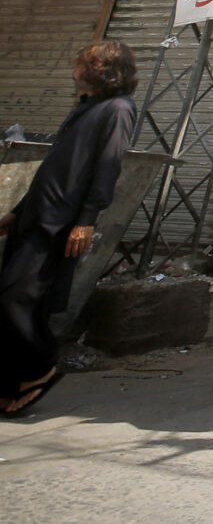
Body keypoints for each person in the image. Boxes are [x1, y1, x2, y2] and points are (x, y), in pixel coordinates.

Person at [0, 41, 139, 418]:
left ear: (103, 70)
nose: (76, 71)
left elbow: (107, 167)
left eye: (83, 65)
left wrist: (86, 220)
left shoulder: (118, 109)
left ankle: (41, 367)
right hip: (38, 215)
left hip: (61, 222)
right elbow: (57, 168)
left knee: (16, 298)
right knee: (18, 300)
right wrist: (18, 210)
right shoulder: (87, 108)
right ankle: (11, 382)